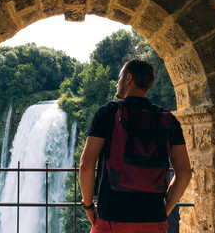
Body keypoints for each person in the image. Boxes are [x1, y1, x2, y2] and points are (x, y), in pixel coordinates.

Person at [79, 60, 192, 233]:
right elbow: (184, 173)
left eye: (119, 78)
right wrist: (163, 211)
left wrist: (88, 207)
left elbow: (86, 165)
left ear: (129, 78)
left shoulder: (107, 113)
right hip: (153, 219)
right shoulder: (167, 119)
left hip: (111, 218)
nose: (117, 84)